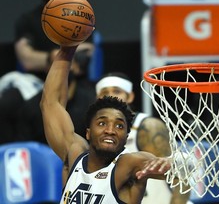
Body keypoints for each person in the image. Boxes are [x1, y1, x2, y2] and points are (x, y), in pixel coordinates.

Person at [40, 45, 175, 204]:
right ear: (88, 132)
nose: (110, 130)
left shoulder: (130, 164)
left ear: (126, 137)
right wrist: (67, 49)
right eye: (102, 123)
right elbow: (50, 104)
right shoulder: (74, 153)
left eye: (119, 126)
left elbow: (181, 171)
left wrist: (179, 161)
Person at [95, 72, 192, 204]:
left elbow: (181, 176)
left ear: (130, 96)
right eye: (104, 92)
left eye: (117, 91)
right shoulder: (96, 133)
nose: (110, 96)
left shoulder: (148, 127)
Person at [15, 46, 96, 143]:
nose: (62, 70)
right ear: (47, 69)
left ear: (76, 68)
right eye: (56, 65)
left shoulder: (91, 104)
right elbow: (24, 149)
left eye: (68, 63)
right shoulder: (30, 107)